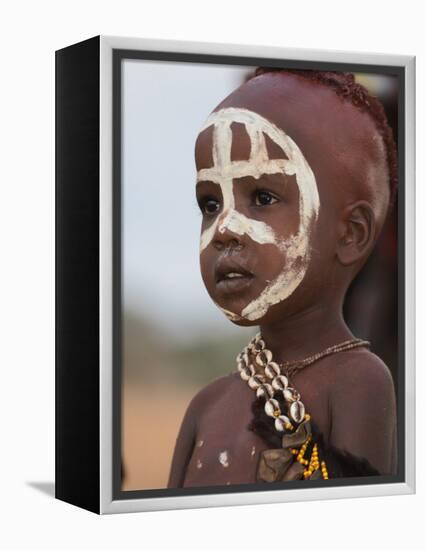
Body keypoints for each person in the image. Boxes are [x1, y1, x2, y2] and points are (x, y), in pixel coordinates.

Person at [167, 68, 398, 488]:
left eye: (263, 198)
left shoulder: (357, 381)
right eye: (211, 203)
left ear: (350, 234)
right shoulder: (206, 406)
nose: (225, 229)